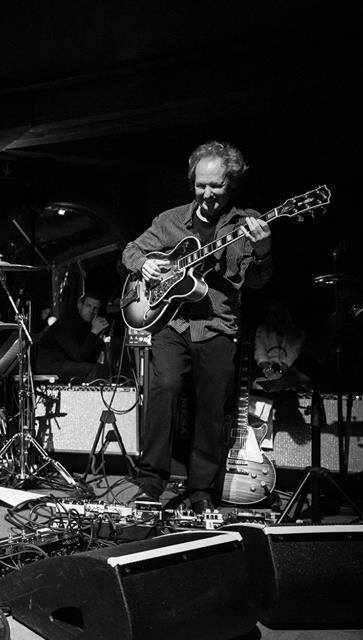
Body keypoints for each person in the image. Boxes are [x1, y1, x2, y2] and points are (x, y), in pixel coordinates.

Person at [122, 140, 272, 511]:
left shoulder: (247, 223)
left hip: (217, 325)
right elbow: (131, 250)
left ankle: (201, 489)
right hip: (171, 323)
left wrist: (264, 252)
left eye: (215, 186)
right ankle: (150, 482)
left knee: (211, 407)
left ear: (231, 183)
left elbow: (257, 283)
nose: (206, 193)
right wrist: (144, 265)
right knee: (165, 388)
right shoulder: (169, 220)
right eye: (200, 185)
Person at [34, 290, 110, 383]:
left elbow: (89, 359)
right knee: (94, 370)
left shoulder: (88, 325)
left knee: (105, 369)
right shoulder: (67, 322)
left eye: (95, 308)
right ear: (80, 305)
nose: (91, 311)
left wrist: (98, 337)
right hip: (50, 366)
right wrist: (94, 333)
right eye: (88, 306)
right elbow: (78, 357)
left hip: (65, 364)